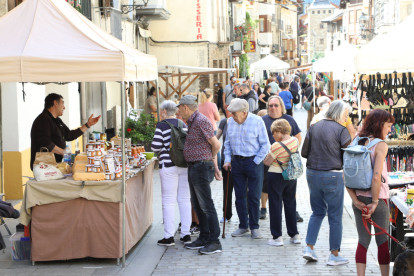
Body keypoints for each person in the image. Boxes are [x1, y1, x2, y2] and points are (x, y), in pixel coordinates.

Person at [301, 100, 351, 266]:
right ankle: (334, 254)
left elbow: (304, 152)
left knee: (317, 212)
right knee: (335, 217)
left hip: (312, 173)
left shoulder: (314, 126)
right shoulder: (341, 130)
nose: (346, 118)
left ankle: (309, 247)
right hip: (332, 174)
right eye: (345, 115)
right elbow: (348, 156)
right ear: (338, 114)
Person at [347, 109, 394, 276]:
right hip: (378, 198)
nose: (389, 130)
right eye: (388, 126)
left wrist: (355, 200)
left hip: (358, 198)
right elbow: (376, 177)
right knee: (382, 242)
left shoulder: (356, 142)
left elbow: (347, 175)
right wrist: (374, 202)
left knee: (363, 241)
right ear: (380, 125)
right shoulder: (381, 145)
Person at [177, 95, 223, 255]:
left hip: (201, 166)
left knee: (206, 206)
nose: (178, 111)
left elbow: (216, 144)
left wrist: (210, 159)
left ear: (185, 107)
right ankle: (204, 237)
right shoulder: (193, 121)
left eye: (179, 108)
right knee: (198, 205)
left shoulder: (200, 120)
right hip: (195, 166)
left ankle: (214, 241)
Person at [223, 99, 270, 239]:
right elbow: (227, 143)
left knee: (254, 196)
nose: (232, 116)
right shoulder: (230, 122)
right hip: (237, 162)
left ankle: (254, 227)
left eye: (235, 114)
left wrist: (255, 162)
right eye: (231, 113)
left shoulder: (257, 121)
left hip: (253, 161)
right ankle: (243, 226)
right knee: (239, 196)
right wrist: (227, 160)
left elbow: (265, 145)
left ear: (244, 113)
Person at [151, 100, 192, 246]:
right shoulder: (183, 124)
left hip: (168, 166)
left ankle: (168, 237)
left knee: (168, 200)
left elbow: (155, 146)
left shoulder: (161, 125)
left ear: (163, 112)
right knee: (185, 199)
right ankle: (186, 234)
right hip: (184, 165)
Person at [30, 93, 101, 170]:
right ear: (55, 103)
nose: (64, 107)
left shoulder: (57, 120)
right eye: (62, 104)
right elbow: (45, 143)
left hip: (54, 166)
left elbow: (69, 135)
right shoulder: (43, 120)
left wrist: (88, 125)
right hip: (43, 167)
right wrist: (64, 153)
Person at [261, 96, 303, 221]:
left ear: (281, 106)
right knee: (265, 185)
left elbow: (298, 137)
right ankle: (263, 208)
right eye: (271, 105)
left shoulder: (288, 119)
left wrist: (292, 152)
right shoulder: (262, 120)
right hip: (269, 160)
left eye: (276, 105)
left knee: (290, 186)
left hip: (288, 162)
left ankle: (293, 211)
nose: (273, 108)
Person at [263, 119, 300, 246]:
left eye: (273, 133)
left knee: (275, 205)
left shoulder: (276, 146)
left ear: (279, 131)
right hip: (291, 175)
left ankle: (277, 237)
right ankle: (294, 234)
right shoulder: (295, 141)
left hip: (276, 175)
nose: (273, 136)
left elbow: (267, 162)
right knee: (290, 203)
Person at [216, 107, 235, 223]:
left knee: (243, 190)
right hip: (226, 160)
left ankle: (246, 216)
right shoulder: (224, 121)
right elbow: (216, 137)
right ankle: (226, 214)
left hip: (240, 161)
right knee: (227, 189)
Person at [199, 89, 221, 170]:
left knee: (205, 147)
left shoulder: (199, 105)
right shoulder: (212, 105)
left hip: (201, 129)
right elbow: (218, 118)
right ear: (211, 96)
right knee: (215, 146)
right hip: (212, 128)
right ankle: (218, 166)